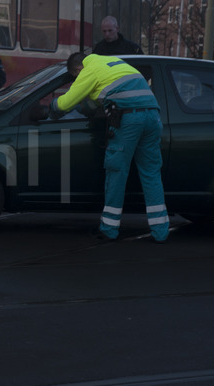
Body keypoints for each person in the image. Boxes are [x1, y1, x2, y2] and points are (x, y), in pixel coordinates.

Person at [49, 52, 169, 243]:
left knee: (117, 171)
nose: (77, 80)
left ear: (78, 70)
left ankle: (109, 229)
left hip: (129, 119)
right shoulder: (113, 63)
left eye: (75, 77)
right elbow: (96, 100)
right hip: (153, 117)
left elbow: (66, 102)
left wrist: (51, 107)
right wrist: (84, 107)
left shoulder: (89, 70)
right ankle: (161, 231)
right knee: (151, 173)